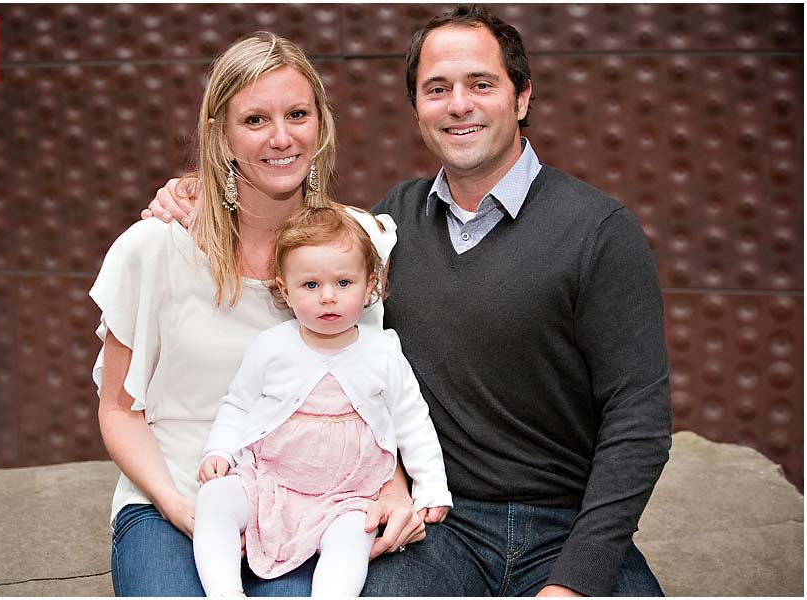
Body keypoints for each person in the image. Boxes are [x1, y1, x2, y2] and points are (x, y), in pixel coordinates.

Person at [146, 5, 672, 597]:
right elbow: (312, 251)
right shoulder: (391, 224)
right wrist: (195, 190)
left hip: (566, 526)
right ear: (417, 107)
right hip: (438, 524)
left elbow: (639, 421)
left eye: (481, 84)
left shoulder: (598, 231)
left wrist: (575, 581)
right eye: (436, 88)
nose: (458, 105)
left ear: (522, 97)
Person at [92, 32, 428, 597]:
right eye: (254, 119)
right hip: (173, 496)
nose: (281, 137)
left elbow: (372, 395)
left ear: (320, 125)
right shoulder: (153, 248)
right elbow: (120, 410)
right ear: (219, 134)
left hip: (310, 506)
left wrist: (395, 488)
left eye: (298, 114)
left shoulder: (357, 246)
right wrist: (179, 507)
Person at [192, 206, 452, 596]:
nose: (328, 297)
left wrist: (431, 486)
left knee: (355, 537)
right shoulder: (271, 347)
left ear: (370, 286)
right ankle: (224, 593)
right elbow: (238, 405)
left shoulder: (382, 352)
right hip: (270, 481)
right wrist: (220, 450)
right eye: (310, 285)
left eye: (344, 282)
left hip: (348, 496)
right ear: (285, 290)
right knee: (213, 499)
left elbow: (413, 422)